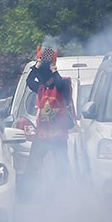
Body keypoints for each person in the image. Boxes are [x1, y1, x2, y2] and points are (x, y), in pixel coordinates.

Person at [20, 46, 75, 201]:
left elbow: (59, 85)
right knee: (32, 167)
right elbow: (30, 81)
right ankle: (26, 196)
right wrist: (37, 66)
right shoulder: (41, 89)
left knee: (62, 168)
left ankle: (65, 196)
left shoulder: (63, 85)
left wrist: (53, 69)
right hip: (42, 136)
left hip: (58, 137)